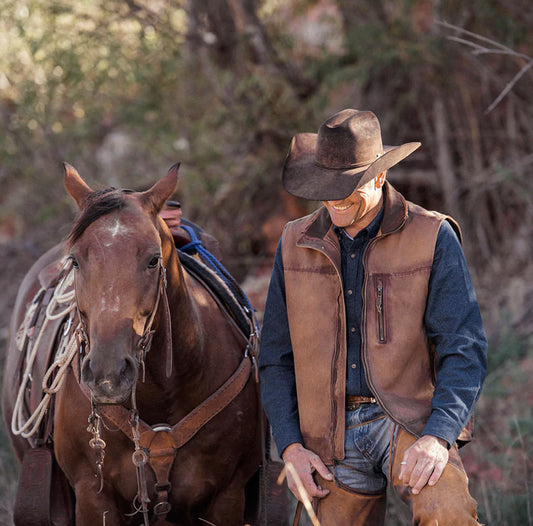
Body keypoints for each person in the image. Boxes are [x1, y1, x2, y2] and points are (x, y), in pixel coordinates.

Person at [258, 109, 487, 525]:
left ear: (380, 177)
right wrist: (291, 446)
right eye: (326, 186)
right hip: (326, 437)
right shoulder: (293, 243)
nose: (333, 198)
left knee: (449, 515)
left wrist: (439, 436)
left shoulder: (433, 235)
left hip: (410, 421)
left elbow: (464, 347)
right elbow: (275, 357)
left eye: (347, 187)